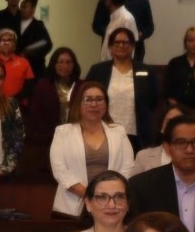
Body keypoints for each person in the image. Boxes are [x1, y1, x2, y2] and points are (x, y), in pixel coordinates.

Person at [48, 82, 136, 218]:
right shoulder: (63, 132)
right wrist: (90, 195)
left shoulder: (118, 131)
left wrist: (108, 195)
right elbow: (60, 169)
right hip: (72, 207)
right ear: (78, 103)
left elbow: (128, 167)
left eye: (99, 99)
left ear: (106, 104)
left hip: (112, 205)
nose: (94, 104)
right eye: (88, 100)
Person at [86, 27, 158, 150]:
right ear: (110, 46)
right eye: (117, 42)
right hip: (104, 131)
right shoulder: (98, 71)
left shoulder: (146, 70)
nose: (121, 45)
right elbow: (86, 97)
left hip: (137, 134)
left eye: (125, 42)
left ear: (132, 45)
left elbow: (153, 100)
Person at [90, 0, 155, 62]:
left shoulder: (142, 1)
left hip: (136, 51)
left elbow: (149, 27)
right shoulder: (105, 0)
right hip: (110, 49)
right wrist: (111, 33)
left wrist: (139, 34)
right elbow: (96, 25)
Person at [22, 47, 81, 141]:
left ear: (74, 65)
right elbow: (36, 114)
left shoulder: (81, 86)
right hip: (49, 136)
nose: (64, 66)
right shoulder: (43, 86)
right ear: (54, 64)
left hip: (76, 136)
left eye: (68, 62)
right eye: (60, 62)